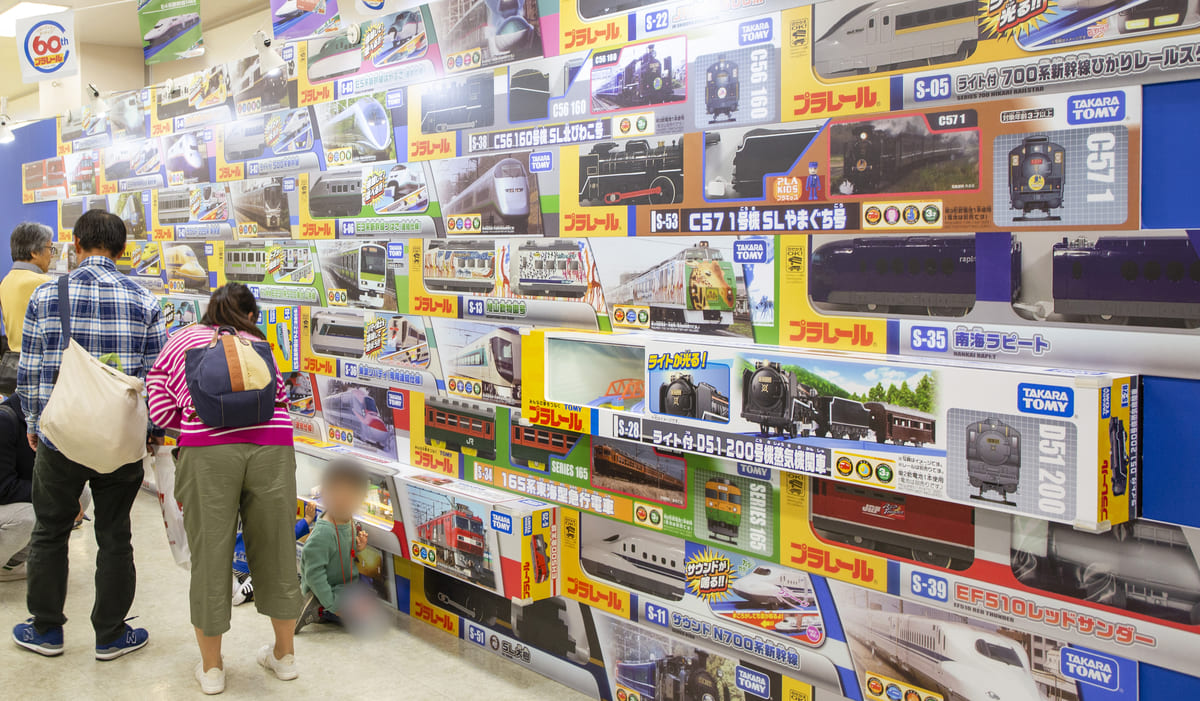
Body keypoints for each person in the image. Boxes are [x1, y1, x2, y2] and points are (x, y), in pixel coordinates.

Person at [13, 210, 166, 660]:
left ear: (76, 245)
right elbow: (156, 380)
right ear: (122, 250)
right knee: (115, 535)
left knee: (50, 531)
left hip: (62, 436)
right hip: (120, 440)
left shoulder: (46, 294)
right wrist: (152, 434)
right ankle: (111, 635)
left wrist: (34, 424)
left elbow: (30, 371)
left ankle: (46, 631)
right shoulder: (145, 300)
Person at [145, 282, 301, 695]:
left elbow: (159, 406)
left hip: (208, 452)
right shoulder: (258, 343)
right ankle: (284, 657)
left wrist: (194, 424)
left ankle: (212, 669)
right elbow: (280, 398)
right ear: (249, 315)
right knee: (278, 548)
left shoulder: (182, 340)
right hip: (272, 447)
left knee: (211, 555)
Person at [295, 459, 369, 633]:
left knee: (368, 605)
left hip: (345, 585)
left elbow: (343, 551)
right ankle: (317, 608)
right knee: (362, 618)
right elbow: (313, 574)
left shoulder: (347, 520)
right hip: (326, 589)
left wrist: (358, 546)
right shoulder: (323, 533)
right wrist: (333, 605)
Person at [0, 222, 54, 395]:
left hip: (13, 367)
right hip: (41, 372)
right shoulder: (44, 284)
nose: (51, 255)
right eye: (50, 248)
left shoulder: (6, 280)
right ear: (34, 252)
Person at [233, 501, 317, 606]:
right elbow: (289, 535)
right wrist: (307, 519)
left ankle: (236, 586)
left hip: (235, 565)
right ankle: (250, 587)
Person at [0, 393, 35, 581]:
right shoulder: (5, 420)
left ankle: (10, 566)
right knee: (27, 517)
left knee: (80, 493)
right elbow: (3, 489)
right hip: (5, 496)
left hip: (13, 491)